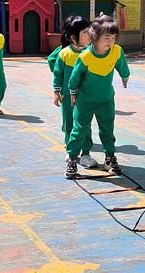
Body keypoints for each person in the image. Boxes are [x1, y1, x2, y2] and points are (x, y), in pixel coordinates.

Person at [65, 14, 130, 179]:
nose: (110, 42)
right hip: (85, 101)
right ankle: (72, 159)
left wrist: (125, 76)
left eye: (113, 38)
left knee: (107, 130)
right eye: (106, 38)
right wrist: (73, 92)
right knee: (79, 130)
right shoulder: (85, 56)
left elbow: (121, 64)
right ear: (94, 37)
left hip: (106, 100)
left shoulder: (116, 51)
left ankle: (109, 158)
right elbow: (75, 77)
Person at [50, 15, 97, 167]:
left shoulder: (91, 52)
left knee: (85, 125)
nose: (89, 34)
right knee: (69, 123)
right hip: (67, 96)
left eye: (89, 30)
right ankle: (71, 151)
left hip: (85, 97)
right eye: (85, 32)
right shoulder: (64, 53)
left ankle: (86, 154)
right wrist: (57, 92)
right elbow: (57, 74)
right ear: (73, 37)